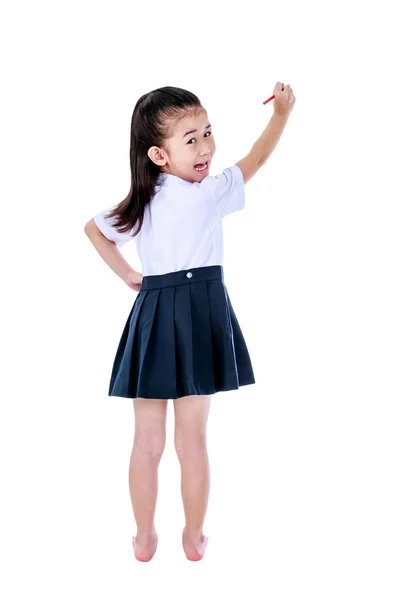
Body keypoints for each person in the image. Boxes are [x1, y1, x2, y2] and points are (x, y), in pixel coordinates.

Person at [84, 82, 296, 562]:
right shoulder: (211, 192)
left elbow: (95, 231)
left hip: (156, 311)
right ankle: (191, 538)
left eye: (208, 133)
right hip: (197, 308)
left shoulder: (146, 197)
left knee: (152, 438)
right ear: (159, 154)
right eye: (191, 139)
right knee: (186, 437)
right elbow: (257, 159)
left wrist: (129, 277)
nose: (206, 148)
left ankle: (145, 538)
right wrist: (281, 115)